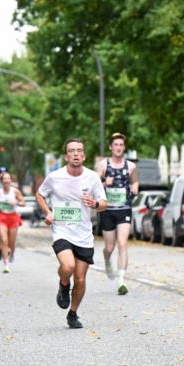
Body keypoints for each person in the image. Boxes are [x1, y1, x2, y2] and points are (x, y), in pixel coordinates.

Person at [36, 137, 107, 329]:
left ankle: (73, 314)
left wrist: (95, 204)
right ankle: (63, 284)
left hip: (83, 234)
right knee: (67, 266)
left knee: (81, 279)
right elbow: (40, 194)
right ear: (66, 156)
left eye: (79, 150)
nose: (76, 153)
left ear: (83, 156)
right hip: (62, 230)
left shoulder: (92, 177)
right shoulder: (54, 177)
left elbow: (104, 203)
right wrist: (48, 212)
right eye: (72, 151)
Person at [95, 132, 139, 295]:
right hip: (107, 210)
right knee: (109, 247)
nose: (118, 148)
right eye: (116, 145)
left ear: (124, 147)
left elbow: (135, 181)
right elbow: (94, 184)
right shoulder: (103, 165)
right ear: (111, 147)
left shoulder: (131, 166)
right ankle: (107, 259)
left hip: (124, 209)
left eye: (121, 145)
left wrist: (135, 187)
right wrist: (105, 183)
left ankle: (121, 280)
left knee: (122, 243)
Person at [0, 171, 24, 273]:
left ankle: (12, 253)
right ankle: (6, 264)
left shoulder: (15, 192)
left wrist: (17, 202)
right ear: (2, 180)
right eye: (4, 179)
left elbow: (23, 202)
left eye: (8, 178)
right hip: (2, 217)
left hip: (13, 217)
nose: (6, 180)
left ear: (11, 180)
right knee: (4, 240)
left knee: (11, 242)